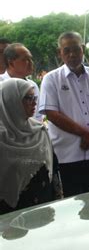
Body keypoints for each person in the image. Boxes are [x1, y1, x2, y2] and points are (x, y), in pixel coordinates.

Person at [38, 31, 89, 198]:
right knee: (70, 206)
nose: (72, 54)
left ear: (82, 49)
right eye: (67, 50)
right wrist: (85, 134)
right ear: (60, 53)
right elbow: (51, 113)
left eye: (76, 49)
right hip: (67, 156)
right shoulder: (51, 79)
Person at [0, 79, 55, 215]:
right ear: (10, 101)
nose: (34, 102)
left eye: (34, 97)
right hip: (8, 217)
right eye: (28, 98)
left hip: (42, 211)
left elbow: (53, 171)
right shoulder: (2, 137)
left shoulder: (39, 131)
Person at [0, 43, 43, 122]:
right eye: (25, 59)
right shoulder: (1, 85)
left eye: (31, 59)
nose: (31, 62)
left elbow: (38, 116)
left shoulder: (32, 85)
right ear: (11, 63)